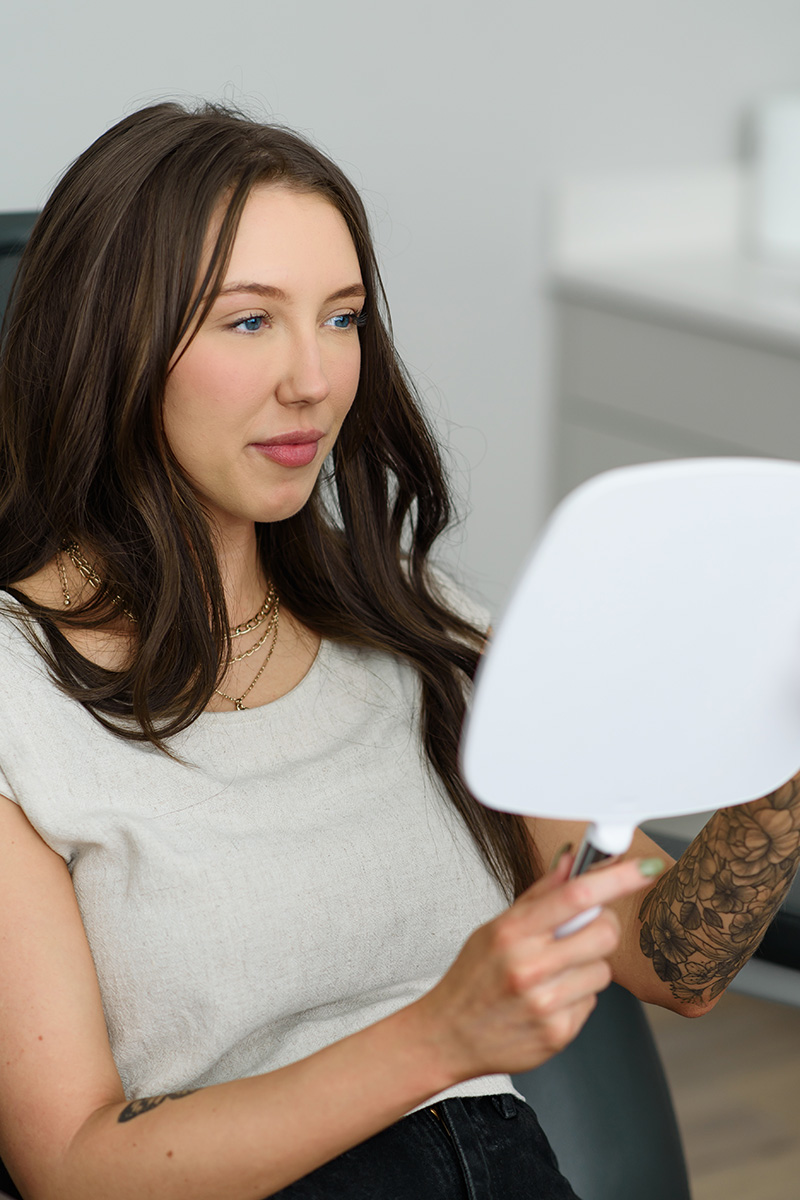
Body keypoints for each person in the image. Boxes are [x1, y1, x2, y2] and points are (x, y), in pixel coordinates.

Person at [0, 101, 798, 1200]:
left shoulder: (408, 614)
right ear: (109, 343)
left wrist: (777, 777)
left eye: (341, 318)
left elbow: (665, 960)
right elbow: (73, 1167)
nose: (314, 379)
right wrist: (440, 1037)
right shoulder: (17, 701)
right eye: (247, 323)